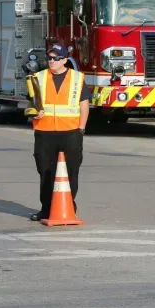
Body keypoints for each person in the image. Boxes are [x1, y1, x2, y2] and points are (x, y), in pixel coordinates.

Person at [29, 43, 91, 221]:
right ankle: (46, 209)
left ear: (64, 60)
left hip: (70, 132)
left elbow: (84, 104)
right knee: (46, 171)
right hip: (44, 131)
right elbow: (31, 103)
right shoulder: (38, 77)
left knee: (71, 171)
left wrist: (81, 127)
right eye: (49, 58)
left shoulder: (77, 78)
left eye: (56, 58)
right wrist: (35, 111)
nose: (52, 61)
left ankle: (68, 206)